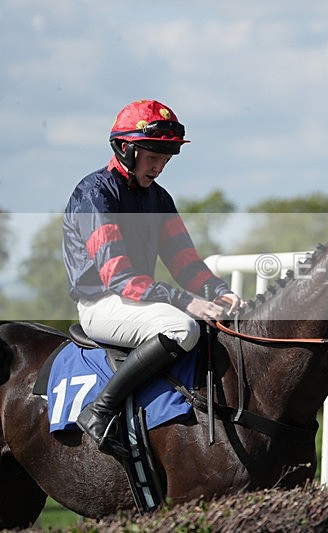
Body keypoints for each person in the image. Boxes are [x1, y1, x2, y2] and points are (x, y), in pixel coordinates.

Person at [62, 99, 242, 457]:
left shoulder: (159, 198)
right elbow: (118, 277)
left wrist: (218, 291)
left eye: (166, 159)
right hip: (103, 303)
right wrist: (186, 301)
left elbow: (185, 262)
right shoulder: (95, 194)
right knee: (183, 328)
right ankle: (99, 412)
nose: (160, 167)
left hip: (138, 300)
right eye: (152, 156)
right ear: (126, 149)